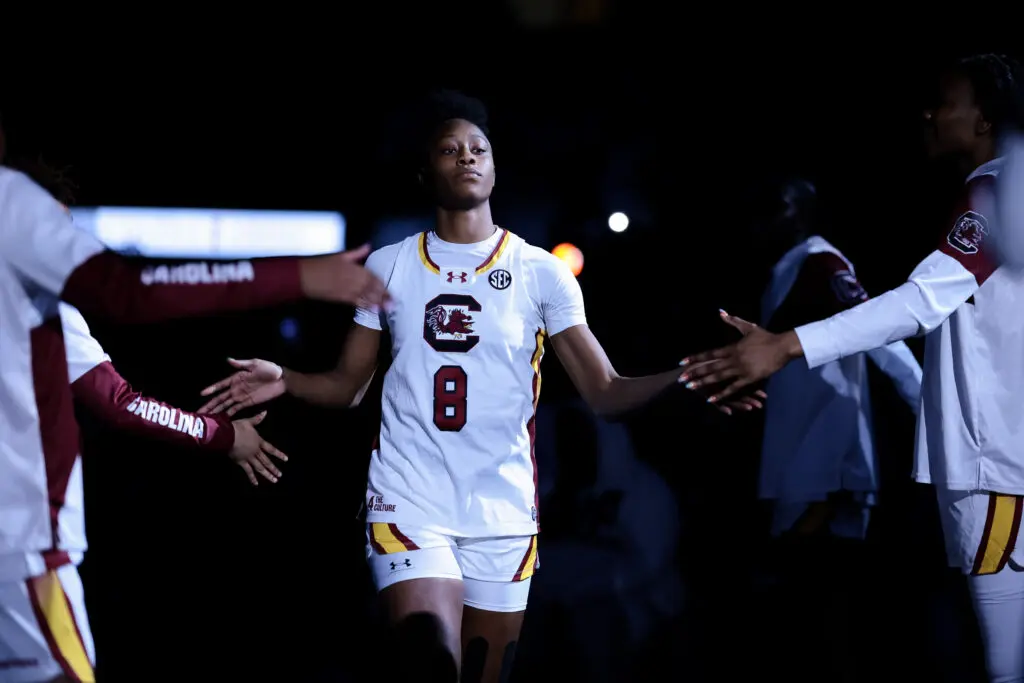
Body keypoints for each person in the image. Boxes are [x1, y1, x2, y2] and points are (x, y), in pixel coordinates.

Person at [196, 89, 763, 683]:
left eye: (478, 149)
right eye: (449, 149)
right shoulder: (387, 265)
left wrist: (691, 374)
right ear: (425, 171)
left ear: (494, 168)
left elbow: (605, 392)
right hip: (409, 500)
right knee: (429, 660)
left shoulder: (541, 272)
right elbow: (348, 387)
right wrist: (284, 378)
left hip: (504, 511)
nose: (467, 157)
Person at [679, 54, 1024, 683]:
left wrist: (785, 345)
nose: (928, 112)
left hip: (986, 466)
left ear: (982, 119)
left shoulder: (993, 191)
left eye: (943, 100)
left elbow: (919, 302)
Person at [0, 141, 389, 683]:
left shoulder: (41, 310)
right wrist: (295, 275)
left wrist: (221, 435)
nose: (72, 250)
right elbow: (128, 298)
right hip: (18, 544)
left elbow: (119, 400)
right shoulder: (10, 211)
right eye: (58, 232)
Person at [742, 176, 922, 682]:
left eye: (775, 207)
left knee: (824, 624)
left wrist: (927, 402)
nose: (763, 220)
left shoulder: (820, 261)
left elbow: (877, 330)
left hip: (825, 466)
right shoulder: (788, 269)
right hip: (803, 462)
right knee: (813, 625)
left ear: (800, 213)